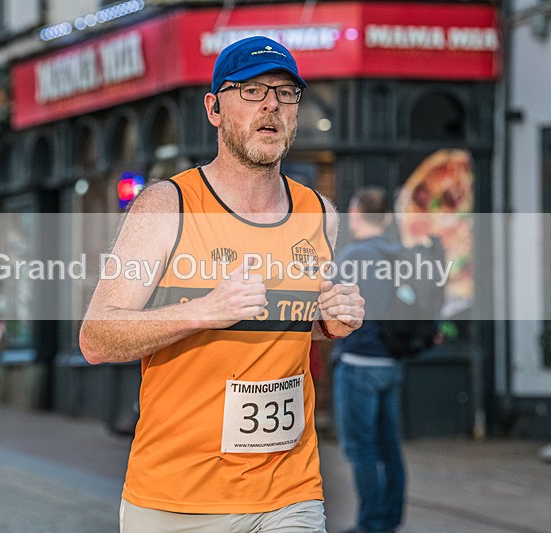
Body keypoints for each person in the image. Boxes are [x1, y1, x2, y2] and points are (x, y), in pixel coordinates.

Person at [80, 36, 365, 532]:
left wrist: (332, 321)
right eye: (252, 91)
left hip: (289, 492)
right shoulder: (167, 206)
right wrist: (203, 310)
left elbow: (287, 323)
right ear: (214, 108)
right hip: (178, 499)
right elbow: (97, 337)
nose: (272, 104)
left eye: (285, 92)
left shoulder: (321, 214)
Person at [332, 187, 406, 533]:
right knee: (389, 449)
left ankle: (371, 525)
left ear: (355, 212)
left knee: (360, 448)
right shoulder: (402, 255)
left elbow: (329, 310)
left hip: (359, 363)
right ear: (388, 217)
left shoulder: (351, 257)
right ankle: (389, 520)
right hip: (392, 363)